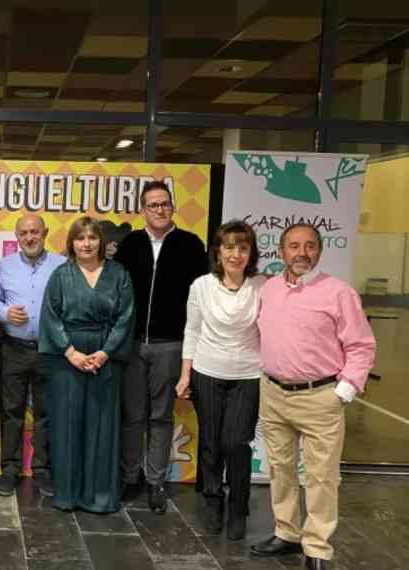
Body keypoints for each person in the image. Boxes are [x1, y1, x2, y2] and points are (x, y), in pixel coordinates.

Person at [251, 223, 376, 570]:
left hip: (320, 396)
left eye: (309, 246)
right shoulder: (269, 289)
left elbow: (362, 346)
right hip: (273, 393)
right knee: (280, 469)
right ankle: (287, 532)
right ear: (281, 251)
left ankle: (318, 546)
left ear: (319, 251)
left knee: (322, 476)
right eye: (294, 246)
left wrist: (344, 391)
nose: (301, 253)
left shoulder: (339, 293)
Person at [117, 179, 208, 513]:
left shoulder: (190, 244)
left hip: (171, 345)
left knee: (160, 416)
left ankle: (155, 482)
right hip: (131, 344)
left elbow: (201, 297)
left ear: (173, 207)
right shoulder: (130, 244)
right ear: (143, 210)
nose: (160, 209)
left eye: (165, 203)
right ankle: (131, 477)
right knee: (132, 416)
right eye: (153, 204)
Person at [175, 220, 266, 540]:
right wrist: (185, 374)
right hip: (207, 373)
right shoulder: (201, 286)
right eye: (229, 247)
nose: (235, 254)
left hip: (248, 376)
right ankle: (213, 501)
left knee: (236, 444)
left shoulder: (262, 286)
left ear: (251, 253)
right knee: (211, 443)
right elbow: (192, 331)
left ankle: (239, 508)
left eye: (243, 248)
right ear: (218, 252)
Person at [39, 216, 134, 513]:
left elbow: (126, 317)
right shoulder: (60, 275)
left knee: (102, 426)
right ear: (72, 243)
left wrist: (105, 353)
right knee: (67, 426)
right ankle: (67, 494)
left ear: (101, 242)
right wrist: (71, 353)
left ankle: (100, 497)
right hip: (67, 358)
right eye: (80, 238)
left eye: (92, 238)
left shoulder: (119, 273)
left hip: (106, 358)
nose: (87, 244)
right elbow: (50, 316)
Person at [0, 214, 65, 497]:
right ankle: (10, 469)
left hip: (49, 350)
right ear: (17, 236)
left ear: (45, 233)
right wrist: (5, 313)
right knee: (11, 411)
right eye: (23, 233)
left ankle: (42, 469)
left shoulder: (61, 265)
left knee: (45, 413)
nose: (29, 237)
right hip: (13, 348)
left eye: (35, 232)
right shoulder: (5, 265)